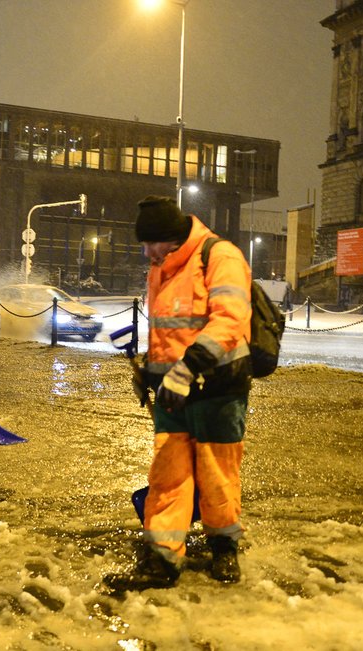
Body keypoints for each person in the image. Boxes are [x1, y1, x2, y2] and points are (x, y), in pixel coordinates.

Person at [105, 196, 254, 591]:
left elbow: (230, 321)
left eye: (149, 243)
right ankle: (163, 559)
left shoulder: (220, 256)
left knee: (217, 474)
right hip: (173, 390)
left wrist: (186, 370)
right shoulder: (160, 267)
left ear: (170, 238)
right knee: (168, 476)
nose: (145, 252)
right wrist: (151, 373)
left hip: (220, 388)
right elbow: (168, 332)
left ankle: (224, 549)